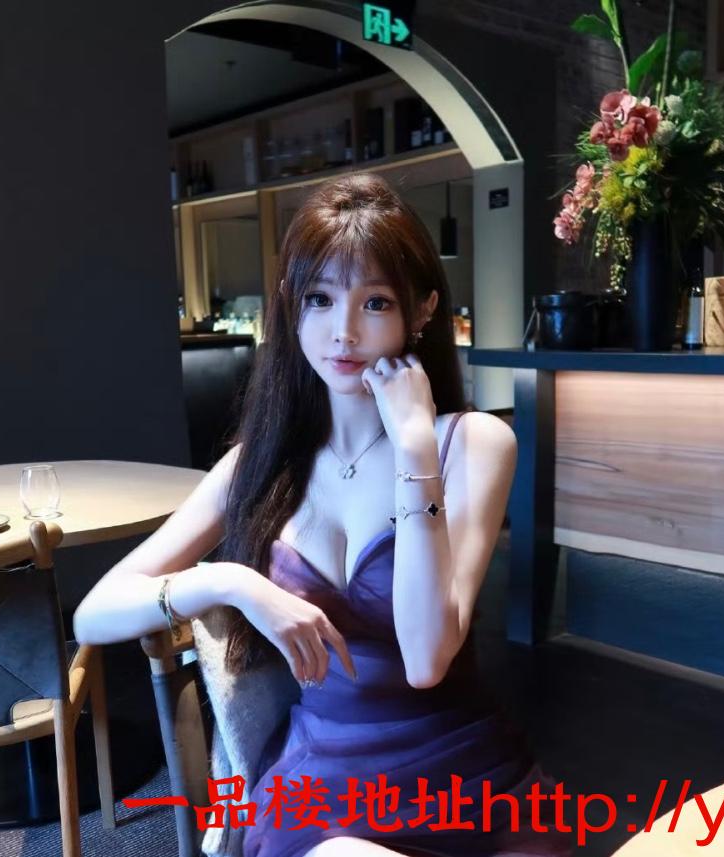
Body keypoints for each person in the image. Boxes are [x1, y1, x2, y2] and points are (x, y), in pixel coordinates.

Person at [75, 174, 572, 857]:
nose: (343, 331)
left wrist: (414, 447)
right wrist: (230, 583)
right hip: (325, 784)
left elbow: (427, 657)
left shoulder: (473, 443)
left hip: (462, 777)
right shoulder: (256, 468)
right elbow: (93, 615)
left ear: (422, 310)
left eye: (375, 302)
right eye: (319, 299)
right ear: (291, 304)